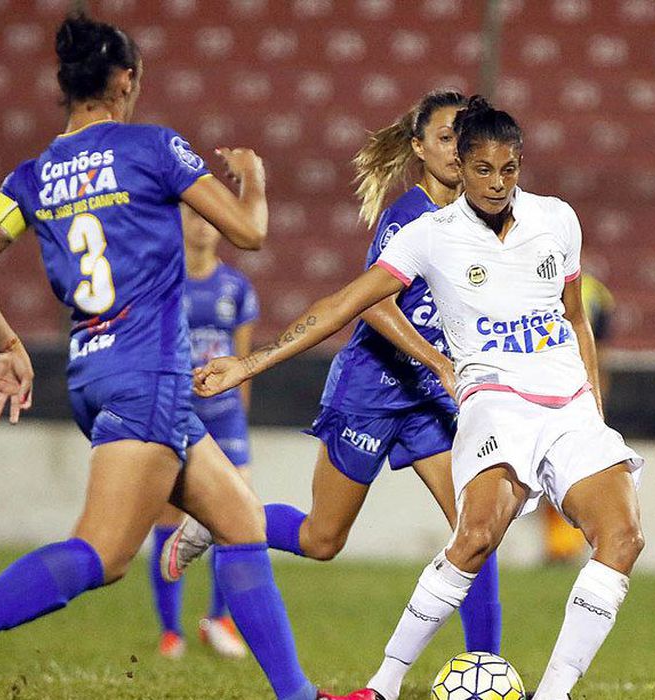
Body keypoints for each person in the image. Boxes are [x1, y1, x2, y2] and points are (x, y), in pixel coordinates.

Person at [0, 13, 360, 700]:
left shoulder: (33, 177)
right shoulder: (151, 148)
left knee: (238, 520)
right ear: (123, 81)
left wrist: (8, 344)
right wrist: (253, 180)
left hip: (94, 373)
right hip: (150, 375)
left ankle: (296, 694)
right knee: (106, 554)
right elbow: (249, 234)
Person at [189, 96, 645, 700]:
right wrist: (250, 362)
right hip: (439, 398)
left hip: (556, 406)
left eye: (507, 169)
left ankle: (543, 689)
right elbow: (346, 305)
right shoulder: (425, 233)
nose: (495, 181)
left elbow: (574, 317)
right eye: (480, 166)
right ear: (452, 158)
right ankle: (380, 680)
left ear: (519, 165)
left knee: (623, 538)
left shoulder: (557, 219)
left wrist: (593, 411)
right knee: (367, 538)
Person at [246, 89, 500, 654]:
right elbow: (374, 304)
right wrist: (440, 361)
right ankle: (221, 518)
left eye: (464, 137)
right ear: (419, 147)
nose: (456, 150)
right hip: (371, 389)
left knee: (476, 532)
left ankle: (486, 668)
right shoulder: (407, 216)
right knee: (321, 539)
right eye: (444, 138)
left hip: (429, 401)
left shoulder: (482, 220)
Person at [149, 203, 258, 660]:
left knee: (238, 514)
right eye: (194, 217)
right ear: (180, 223)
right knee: (167, 518)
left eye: (210, 219)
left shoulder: (237, 287)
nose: (203, 226)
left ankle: (218, 619)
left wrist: (241, 416)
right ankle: (170, 631)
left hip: (226, 417)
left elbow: (244, 362)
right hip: (176, 412)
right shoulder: (163, 282)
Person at [541, 271, 616, 564]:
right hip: (572, 388)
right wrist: (599, 397)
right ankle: (563, 545)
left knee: (563, 470)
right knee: (563, 470)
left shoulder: (593, 292)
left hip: (559, 387)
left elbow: (600, 350)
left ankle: (567, 545)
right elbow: (602, 353)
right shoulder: (598, 292)